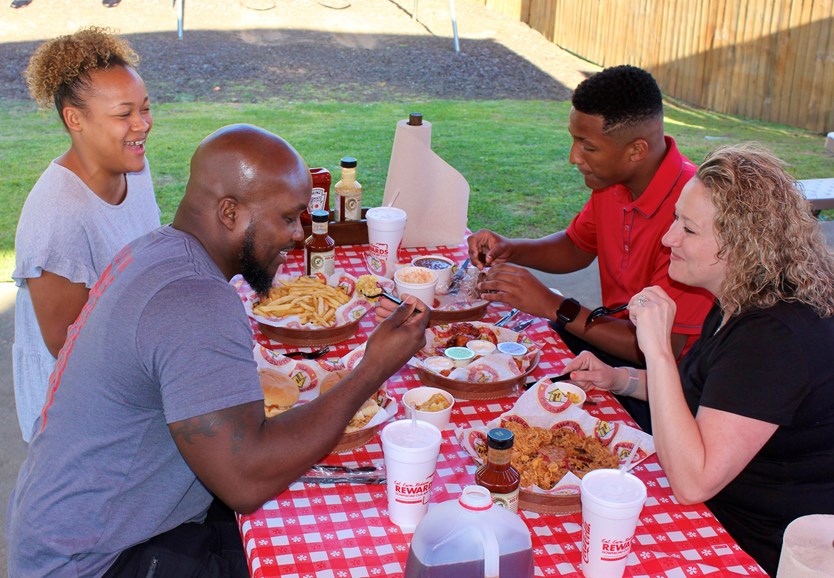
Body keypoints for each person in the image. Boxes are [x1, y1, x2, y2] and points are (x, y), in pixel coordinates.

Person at [6, 123, 432, 577]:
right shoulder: (194, 299)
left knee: (294, 523)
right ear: (229, 212)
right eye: (288, 218)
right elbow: (245, 480)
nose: (298, 236)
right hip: (96, 563)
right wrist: (371, 369)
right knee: (337, 553)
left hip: (87, 529)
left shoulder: (157, 250)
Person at [563, 143, 834, 575]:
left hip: (758, 542)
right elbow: (708, 397)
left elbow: (693, 482)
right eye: (675, 219)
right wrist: (619, 380)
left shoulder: (773, 337)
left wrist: (657, 351)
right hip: (718, 502)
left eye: (688, 229)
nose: (670, 238)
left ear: (743, 247)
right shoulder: (740, 294)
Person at [466, 65, 713, 432]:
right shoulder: (612, 184)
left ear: (636, 150)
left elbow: (662, 348)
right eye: (574, 139)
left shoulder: (691, 216)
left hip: (665, 382)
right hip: (610, 341)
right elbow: (577, 247)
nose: (573, 157)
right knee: (496, 378)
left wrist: (554, 305)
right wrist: (512, 248)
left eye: (588, 146)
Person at [12, 27, 160, 443]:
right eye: (123, 114)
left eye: (145, 109)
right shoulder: (57, 219)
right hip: (77, 415)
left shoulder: (134, 165)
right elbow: (69, 348)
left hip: (128, 362)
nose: (142, 125)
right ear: (74, 119)